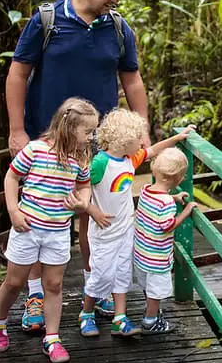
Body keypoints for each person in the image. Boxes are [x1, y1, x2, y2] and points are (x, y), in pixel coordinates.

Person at [5, 0, 149, 331]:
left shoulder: (118, 29)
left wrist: (142, 127)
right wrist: (17, 130)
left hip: (99, 142)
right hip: (46, 138)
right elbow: (18, 74)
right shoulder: (48, 21)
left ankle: (95, 286)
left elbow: (131, 81)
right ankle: (36, 293)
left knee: (94, 216)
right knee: (42, 215)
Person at [0, 98, 98, 363]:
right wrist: (13, 210)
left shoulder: (80, 159)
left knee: (54, 284)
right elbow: (12, 177)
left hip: (59, 231)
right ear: (69, 128)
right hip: (27, 228)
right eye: (88, 132)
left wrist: (83, 201)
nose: (92, 137)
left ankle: (52, 338)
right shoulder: (35, 150)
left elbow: (84, 186)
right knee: (14, 282)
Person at [79, 109, 195, 338]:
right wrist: (93, 211)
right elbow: (80, 187)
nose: (143, 142)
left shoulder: (129, 159)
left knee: (123, 274)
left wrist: (177, 139)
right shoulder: (101, 162)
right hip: (104, 232)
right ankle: (86, 313)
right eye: (139, 138)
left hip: (125, 230)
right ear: (124, 140)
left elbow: (152, 151)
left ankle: (120, 319)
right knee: (101, 276)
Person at [134, 147, 198, 334]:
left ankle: (151, 312)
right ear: (178, 179)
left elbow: (157, 203)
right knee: (156, 290)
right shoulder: (167, 203)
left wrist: (173, 197)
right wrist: (186, 211)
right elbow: (167, 225)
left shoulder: (146, 190)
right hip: (156, 257)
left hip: (141, 252)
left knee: (148, 287)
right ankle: (150, 321)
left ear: (155, 170)